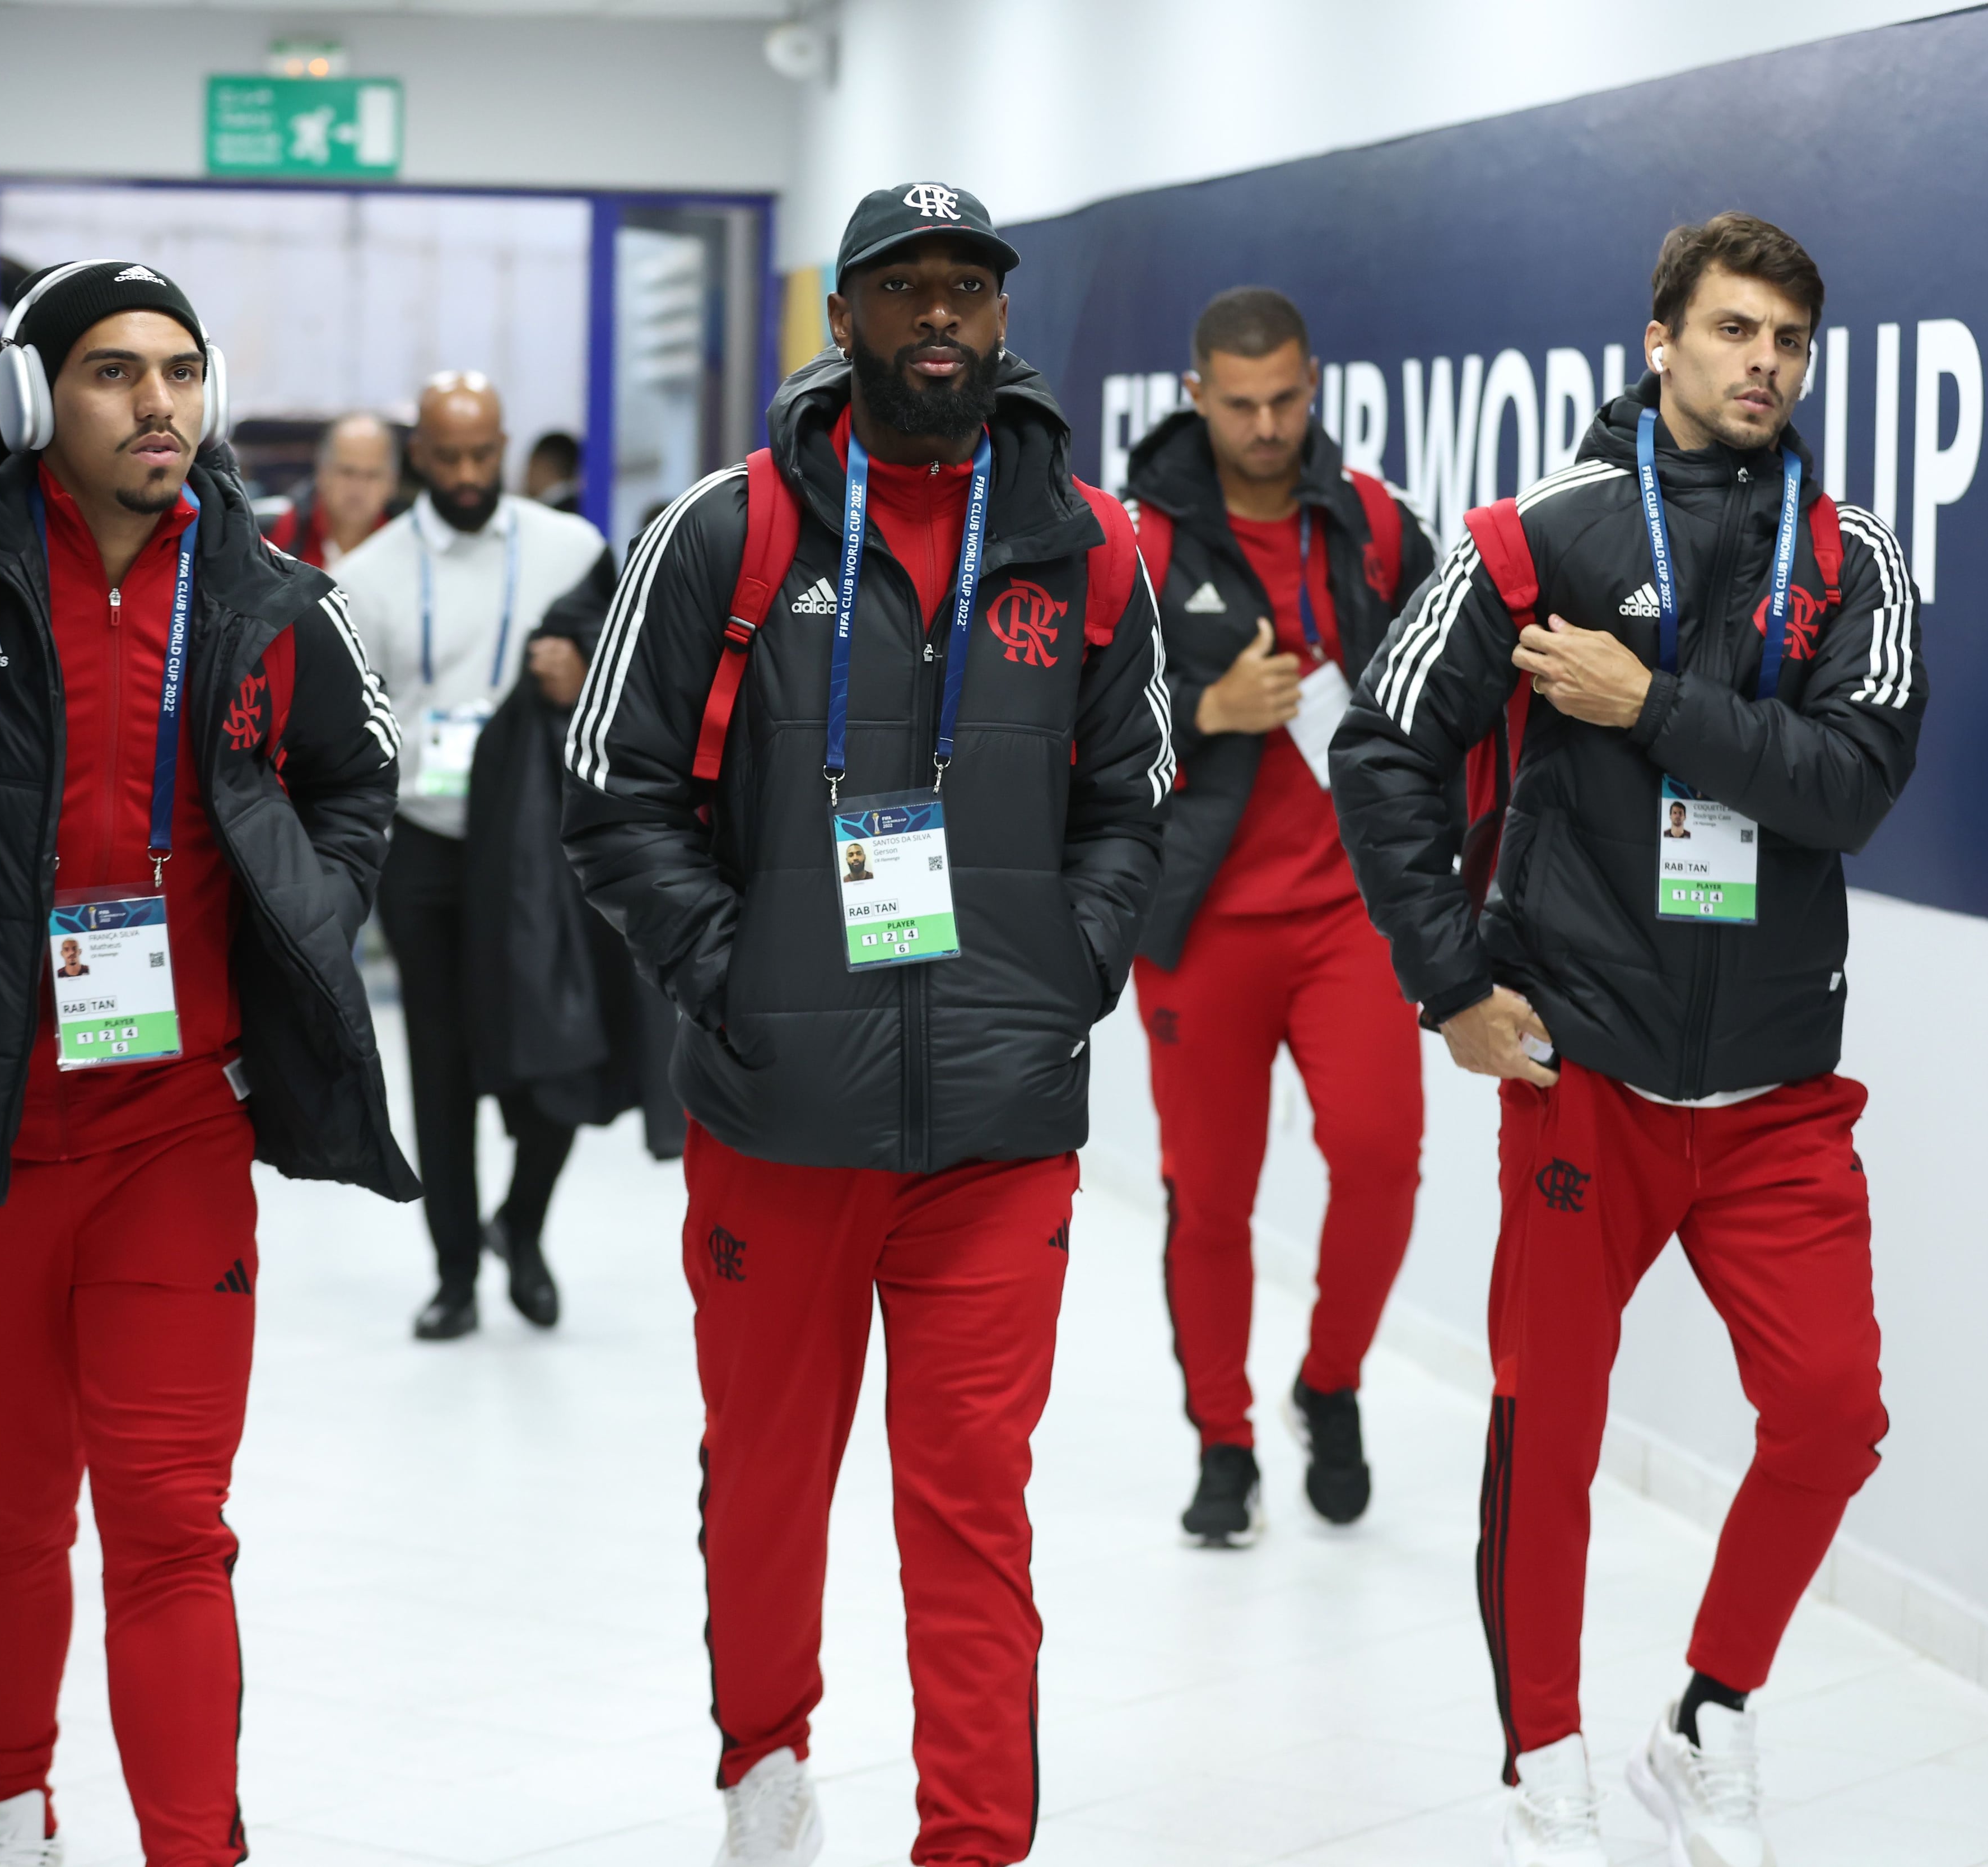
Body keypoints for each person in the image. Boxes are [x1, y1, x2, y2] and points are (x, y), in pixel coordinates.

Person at [0, 258, 416, 1867]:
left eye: (182, 372)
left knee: (175, 1520)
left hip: (180, 1129)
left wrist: (306, 921)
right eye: (117, 373)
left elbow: (357, 774)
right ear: (36, 399)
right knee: (12, 1501)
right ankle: (9, 1792)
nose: (161, 404)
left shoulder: (269, 595)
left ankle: (195, 1844)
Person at [563, 181, 1172, 1867]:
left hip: (997, 1125)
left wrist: (1072, 965)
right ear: (839, 319)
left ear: (998, 320)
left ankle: (973, 1840)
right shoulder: (725, 533)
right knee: (767, 1478)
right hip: (778, 1125)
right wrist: (736, 980)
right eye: (900, 288)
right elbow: (609, 800)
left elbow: (1135, 802)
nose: (936, 318)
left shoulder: (1088, 543)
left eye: (965, 290)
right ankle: (764, 1758)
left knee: (970, 1505)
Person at [1329, 212, 1924, 1867]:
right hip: (1580, 1063)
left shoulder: (1851, 556)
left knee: (1828, 1416)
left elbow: (1850, 786)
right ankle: (1542, 1762)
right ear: (1658, 337)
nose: (1761, 365)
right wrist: (1448, 986)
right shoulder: (1538, 534)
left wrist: (1647, 707)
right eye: (1732, 330)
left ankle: (1705, 1712)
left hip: (1775, 1098)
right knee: (1552, 1425)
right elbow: (1381, 746)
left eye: (1787, 343)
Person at [1124, 286, 1436, 1548]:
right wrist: (1202, 714)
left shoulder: (1367, 524)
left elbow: (1441, 682)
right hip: (1199, 919)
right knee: (1210, 1200)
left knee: (1378, 1156)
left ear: (1314, 386)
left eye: (1286, 400)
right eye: (1240, 403)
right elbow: (1070, 738)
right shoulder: (1134, 541)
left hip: (1349, 912)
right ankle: (1221, 1437)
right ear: (1196, 396)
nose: (1265, 426)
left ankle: (1331, 1377)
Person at [334, 371, 615, 1339]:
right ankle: (455, 1271)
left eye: (482, 454)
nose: (466, 473)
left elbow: (624, 678)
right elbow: (351, 731)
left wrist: (574, 677)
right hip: (430, 850)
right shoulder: (367, 576)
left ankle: (521, 1226)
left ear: (504, 447)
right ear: (420, 458)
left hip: (542, 845)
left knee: (563, 1055)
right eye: (447, 457)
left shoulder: (571, 550)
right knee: (441, 1071)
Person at [267, 409, 399, 568]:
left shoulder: (409, 546)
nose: (358, 488)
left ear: (392, 482)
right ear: (322, 473)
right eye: (347, 472)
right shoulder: (277, 534)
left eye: (372, 475)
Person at [522, 429, 583, 513]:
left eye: (529, 465)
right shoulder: (583, 507)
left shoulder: (544, 515)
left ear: (542, 464)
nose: (526, 475)